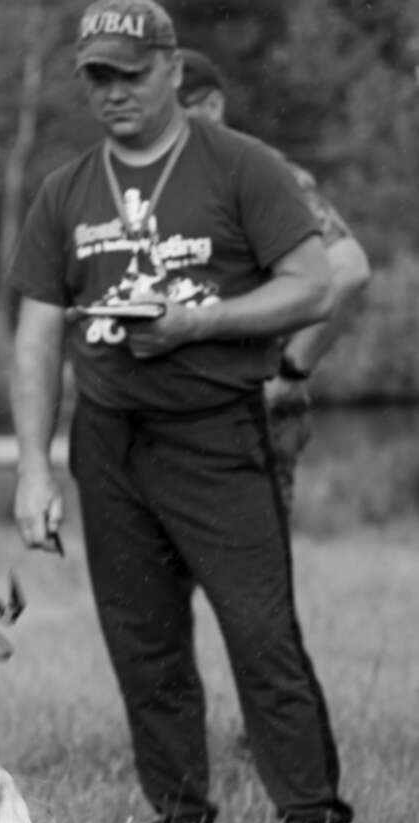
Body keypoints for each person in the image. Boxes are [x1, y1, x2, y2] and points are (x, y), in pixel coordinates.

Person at [7, 0, 353, 823]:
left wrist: (204, 324)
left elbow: (314, 285)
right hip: (111, 440)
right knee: (142, 641)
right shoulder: (65, 188)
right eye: (96, 77)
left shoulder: (240, 167)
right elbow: (37, 336)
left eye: (128, 72)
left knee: (260, 634)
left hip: (215, 433)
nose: (112, 91)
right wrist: (33, 472)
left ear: (170, 67)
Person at [177, 48, 371, 515]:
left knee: (252, 580)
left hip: (250, 406)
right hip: (175, 413)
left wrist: (290, 372)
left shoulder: (262, 172)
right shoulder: (155, 180)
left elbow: (348, 269)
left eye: (173, 108)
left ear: (212, 106)